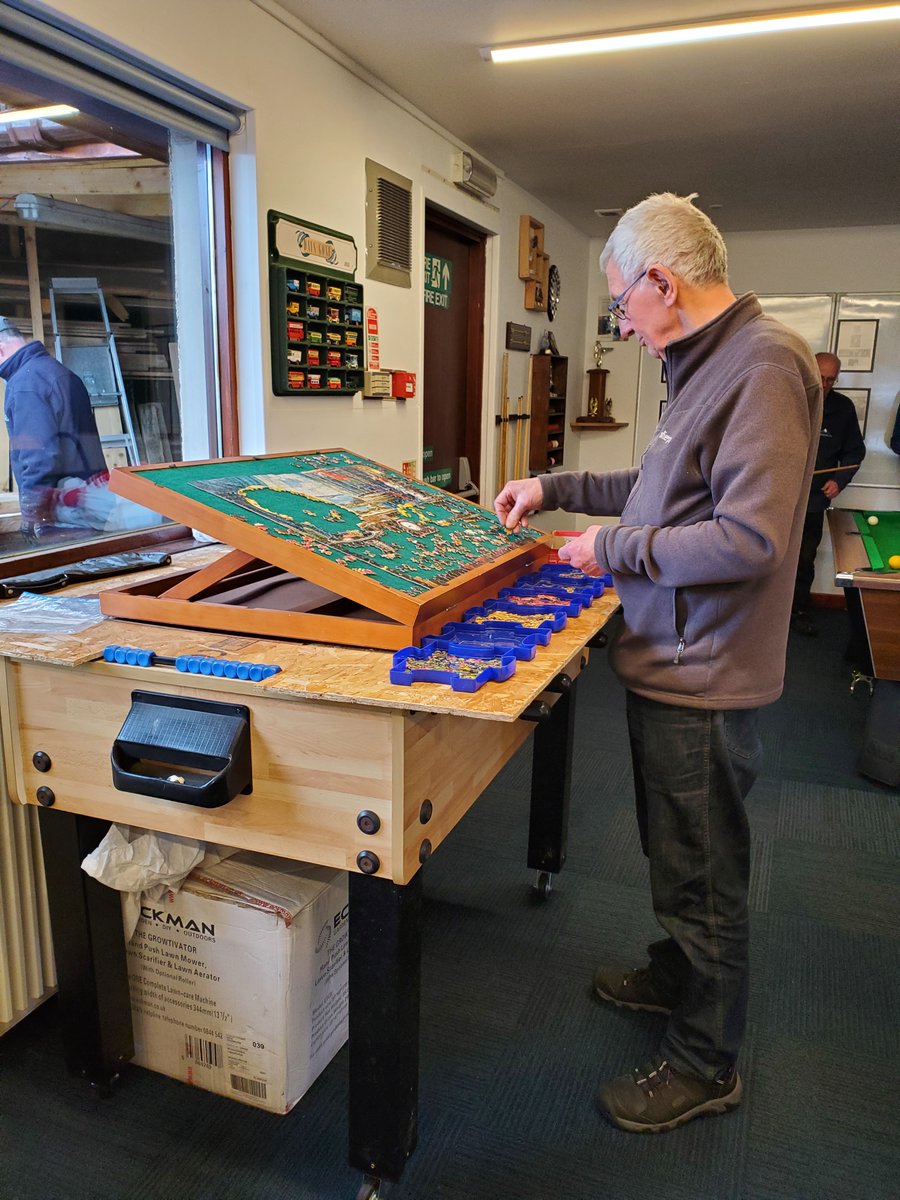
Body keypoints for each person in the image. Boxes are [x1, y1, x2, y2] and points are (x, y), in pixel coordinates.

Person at [494, 194, 821, 1135]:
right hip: (669, 661)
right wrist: (555, 489)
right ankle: (676, 975)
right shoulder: (704, 362)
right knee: (677, 853)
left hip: (705, 675)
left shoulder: (762, 367)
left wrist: (612, 550)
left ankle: (705, 1063)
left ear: (661, 283)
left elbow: (749, 540)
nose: (623, 327)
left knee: (704, 874)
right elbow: (658, 491)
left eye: (621, 308)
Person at [0, 317, 159, 538]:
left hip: (64, 513)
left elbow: (38, 455)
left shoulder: (26, 385)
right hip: (86, 502)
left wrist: (32, 512)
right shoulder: (57, 371)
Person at [790, 352, 866, 636]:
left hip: (813, 500)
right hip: (779, 497)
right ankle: (763, 614)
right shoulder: (787, 397)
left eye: (830, 380)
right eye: (819, 377)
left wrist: (839, 480)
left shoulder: (843, 408)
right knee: (769, 556)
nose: (823, 385)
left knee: (804, 559)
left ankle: (799, 611)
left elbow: (855, 451)